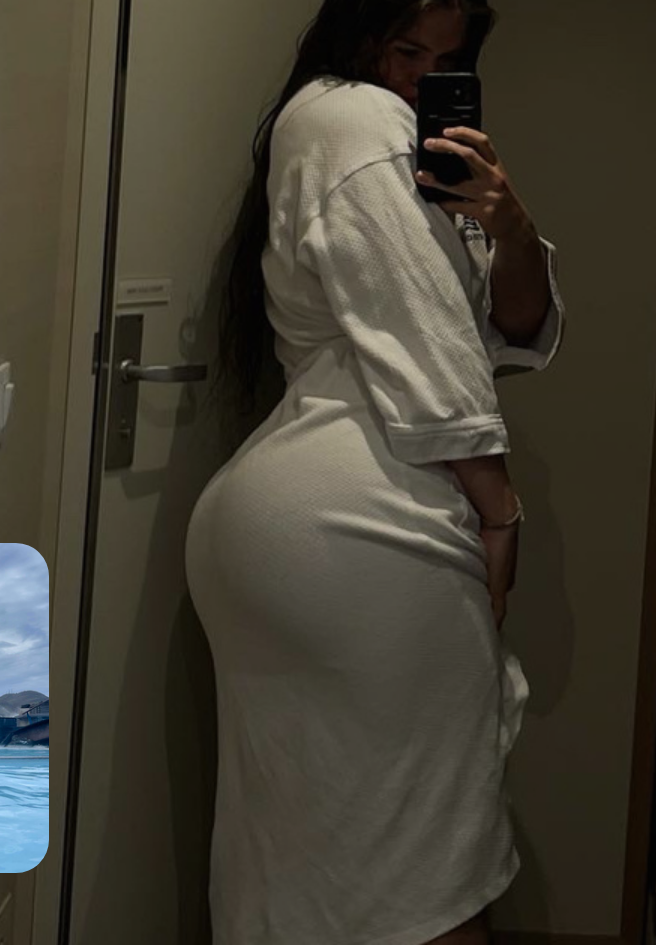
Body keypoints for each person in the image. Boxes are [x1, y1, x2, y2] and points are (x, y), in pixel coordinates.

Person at [183, 1, 563, 943]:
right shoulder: (353, 116)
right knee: (430, 872)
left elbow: (515, 330)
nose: (419, 76)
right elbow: (429, 344)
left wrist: (510, 223)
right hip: (364, 520)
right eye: (404, 49)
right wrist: (500, 511)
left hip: (312, 519)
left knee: (303, 867)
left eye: (446, 59)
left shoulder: (387, 150)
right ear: (356, 38)